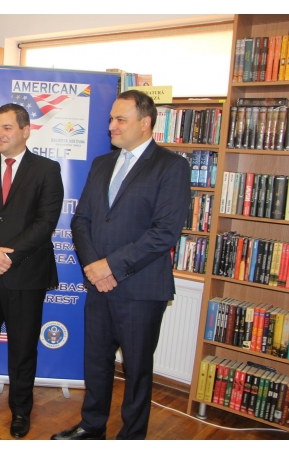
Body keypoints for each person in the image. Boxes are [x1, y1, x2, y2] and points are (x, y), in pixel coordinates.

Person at [51, 90, 190, 440]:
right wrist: (94, 268)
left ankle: (131, 438)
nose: (111, 126)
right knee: (96, 362)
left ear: (145, 123)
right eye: (111, 119)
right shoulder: (102, 163)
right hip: (99, 286)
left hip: (141, 289)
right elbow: (81, 221)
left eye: (120, 120)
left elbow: (165, 232)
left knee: (137, 370)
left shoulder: (171, 166)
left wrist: (110, 267)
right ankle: (91, 426)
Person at [0, 103, 64, 438]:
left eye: (6, 127)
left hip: (25, 275)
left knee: (22, 348)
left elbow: (45, 222)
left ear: (25, 130)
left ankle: (21, 410)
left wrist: (8, 257)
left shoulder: (47, 170)